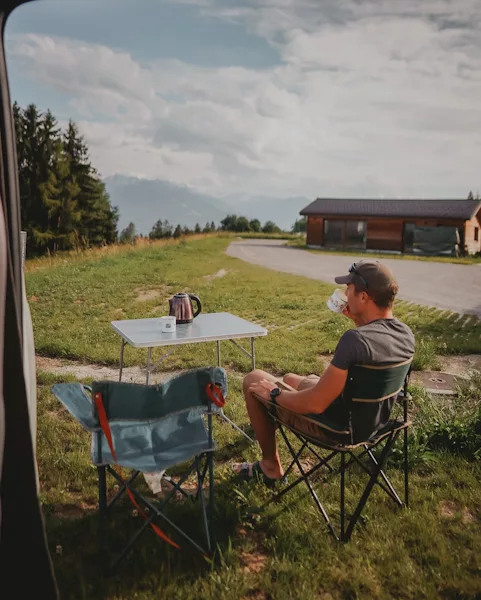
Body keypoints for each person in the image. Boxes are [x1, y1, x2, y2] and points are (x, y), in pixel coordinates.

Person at [233, 260, 415, 485]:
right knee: (289, 378)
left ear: (364, 297)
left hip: (338, 428)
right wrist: (358, 318)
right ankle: (268, 419)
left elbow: (315, 404)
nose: (345, 294)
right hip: (374, 422)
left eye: (349, 289)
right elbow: (372, 349)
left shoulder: (354, 340)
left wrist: (274, 395)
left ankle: (270, 466)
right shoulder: (405, 334)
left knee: (254, 380)